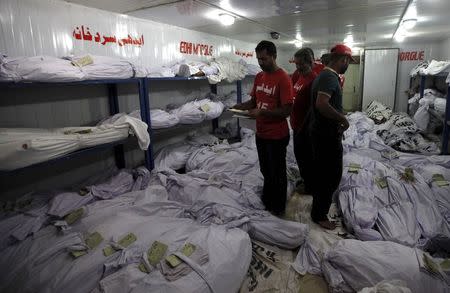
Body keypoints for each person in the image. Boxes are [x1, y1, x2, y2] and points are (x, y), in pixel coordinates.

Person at [233, 40, 293, 216]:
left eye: (264, 59)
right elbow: (254, 100)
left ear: (274, 56)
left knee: (278, 173)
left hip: (277, 135)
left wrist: (263, 113)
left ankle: (278, 208)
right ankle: (268, 201)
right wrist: (240, 106)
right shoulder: (259, 77)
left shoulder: (283, 78)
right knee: (266, 170)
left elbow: (287, 110)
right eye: (258, 59)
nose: (261, 62)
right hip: (261, 134)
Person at [307, 44, 352, 230]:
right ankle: (319, 215)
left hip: (322, 133)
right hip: (326, 136)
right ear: (343, 59)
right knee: (331, 176)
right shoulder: (329, 77)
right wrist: (343, 119)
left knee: (323, 174)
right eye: (348, 61)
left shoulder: (324, 76)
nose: (347, 64)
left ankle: (318, 209)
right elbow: (321, 104)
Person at [290, 48, 318, 194]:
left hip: (305, 128)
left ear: (310, 62)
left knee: (307, 157)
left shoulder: (314, 80)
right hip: (296, 125)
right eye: (296, 64)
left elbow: (313, 109)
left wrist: (303, 127)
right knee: (299, 155)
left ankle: (311, 186)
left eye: (301, 64)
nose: (298, 67)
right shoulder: (298, 76)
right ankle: (305, 178)